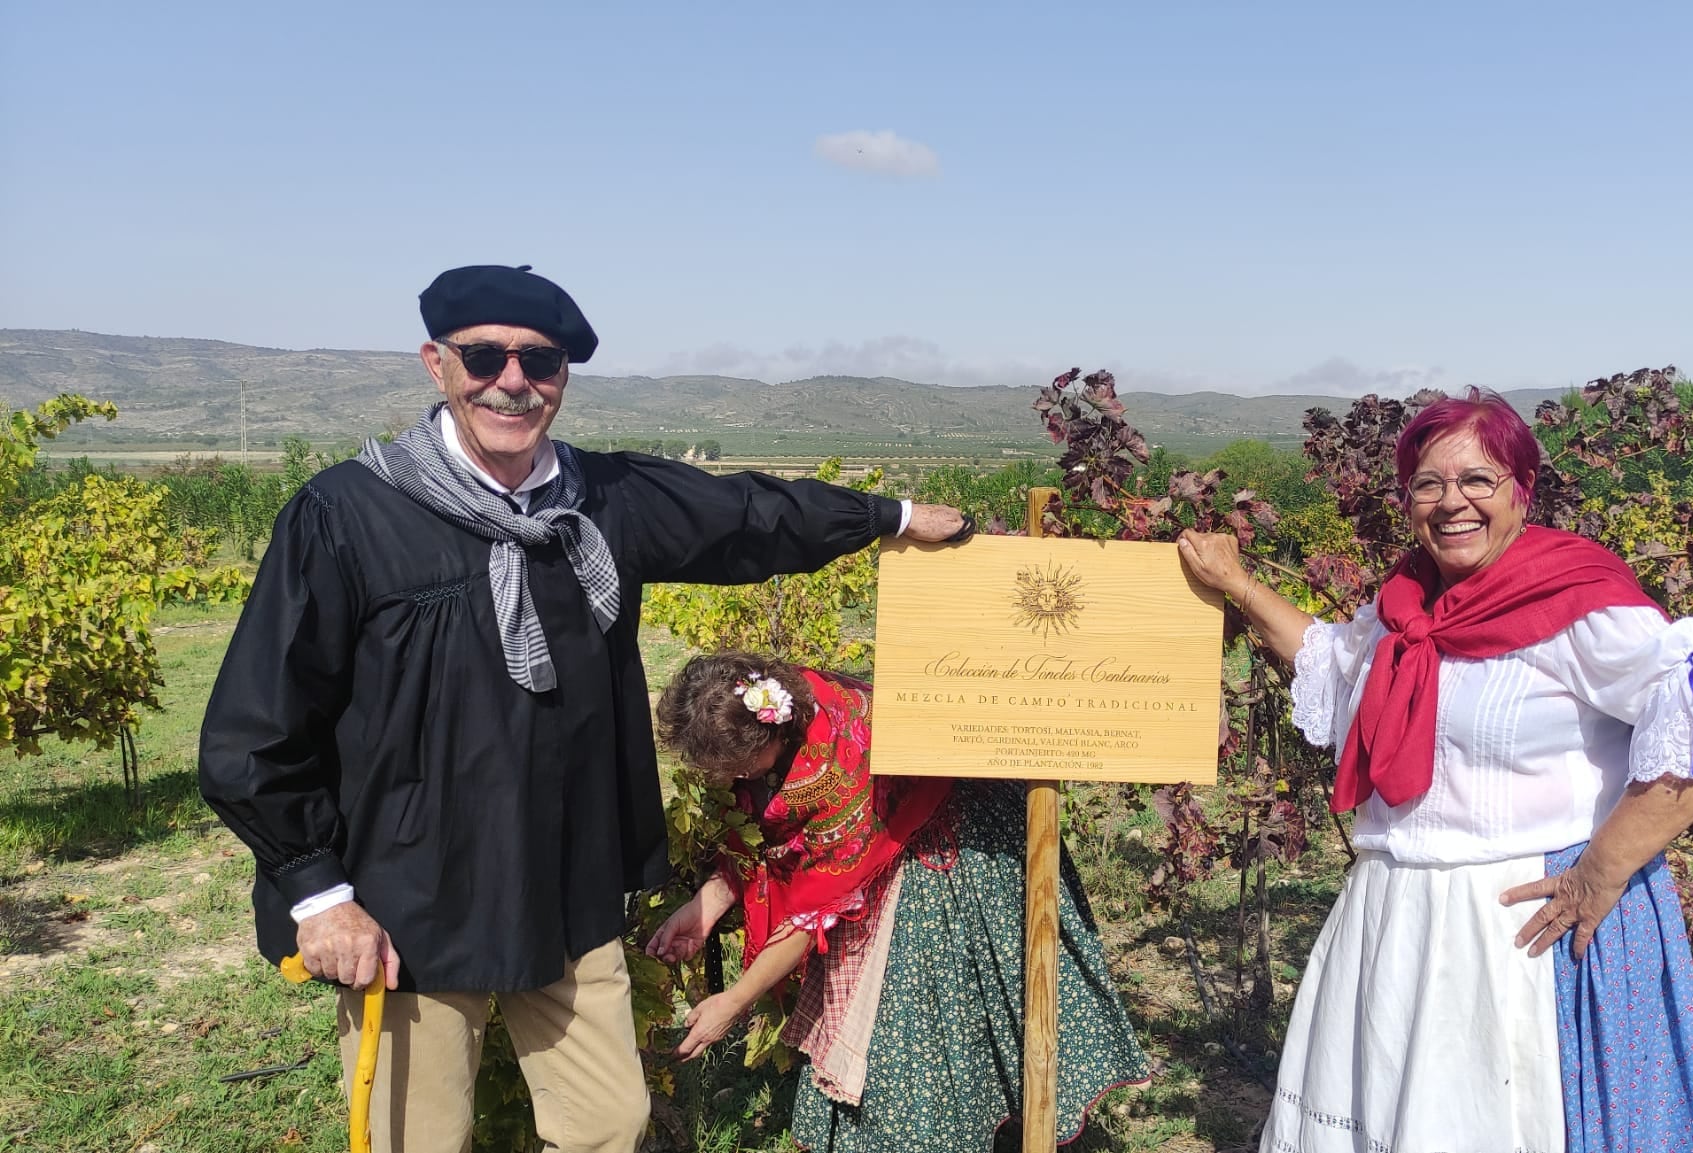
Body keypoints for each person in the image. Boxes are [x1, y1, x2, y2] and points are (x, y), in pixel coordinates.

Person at [198, 264, 971, 1153]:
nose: (513, 381)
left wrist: (891, 515)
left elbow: (749, 516)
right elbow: (256, 730)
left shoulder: (602, 501)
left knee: (608, 1123)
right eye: (485, 356)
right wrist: (318, 893)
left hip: (567, 884)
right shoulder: (349, 515)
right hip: (410, 900)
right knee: (418, 1138)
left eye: (542, 361)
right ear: (436, 364)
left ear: (563, 375)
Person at [1176, 388, 1693, 1153]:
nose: (1452, 502)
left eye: (1478, 480)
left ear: (1521, 491)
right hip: (1395, 918)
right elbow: (1339, 667)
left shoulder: (1577, 599)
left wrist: (1598, 872)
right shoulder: (1409, 603)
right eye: (1429, 484)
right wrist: (1238, 586)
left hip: (1513, 931)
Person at [647, 651, 1152, 1153]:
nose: (729, 781)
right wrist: (705, 909)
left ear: (773, 737)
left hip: (937, 833)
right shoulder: (772, 697)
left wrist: (735, 1002)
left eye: (735, 769)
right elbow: (760, 838)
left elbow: (812, 910)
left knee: (925, 1012)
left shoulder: (839, 766)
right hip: (881, 835)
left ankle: (953, 1131)